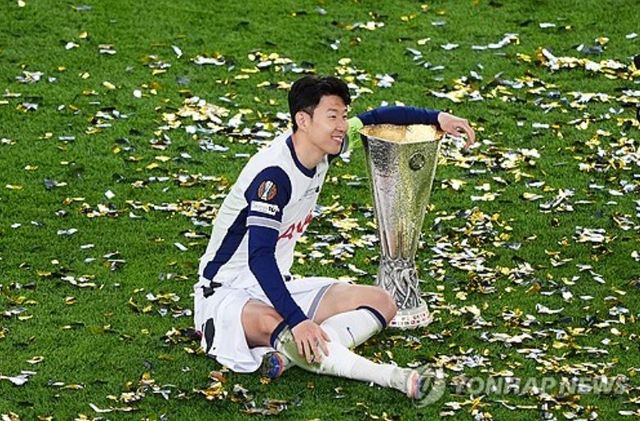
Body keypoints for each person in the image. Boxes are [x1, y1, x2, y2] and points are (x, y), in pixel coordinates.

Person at [193, 75, 475, 399]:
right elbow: (259, 257)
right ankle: (393, 377)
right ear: (303, 120)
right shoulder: (274, 177)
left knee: (384, 302)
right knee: (279, 324)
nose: (342, 125)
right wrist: (298, 320)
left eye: (343, 115)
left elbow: (375, 118)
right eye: (332, 116)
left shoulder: (326, 147)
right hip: (226, 293)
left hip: (275, 285)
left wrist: (438, 118)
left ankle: (292, 355)